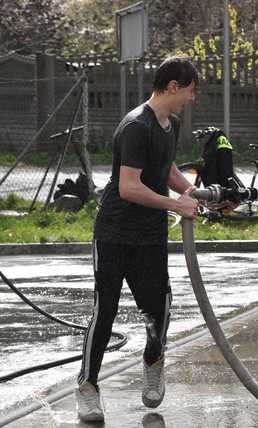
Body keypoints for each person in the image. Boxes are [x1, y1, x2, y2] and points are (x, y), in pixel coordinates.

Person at [75, 56, 201, 422]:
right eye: (190, 90)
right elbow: (130, 187)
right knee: (106, 310)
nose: (192, 99)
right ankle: (87, 386)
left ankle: (153, 359)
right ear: (174, 86)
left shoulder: (170, 125)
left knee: (159, 307)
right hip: (114, 233)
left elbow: (167, 169)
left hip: (149, 235)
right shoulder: (136, 126)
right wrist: (176, 205)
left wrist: (196, 192)